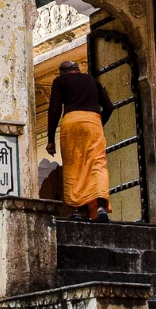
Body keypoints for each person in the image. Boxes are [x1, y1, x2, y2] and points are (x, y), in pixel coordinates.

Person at [44, 59, 115, 221]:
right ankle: (101, 206)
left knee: (75, 165)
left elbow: (54, 109)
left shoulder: (60, 81)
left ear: (62, 72)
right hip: (93, 123)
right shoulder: (92, 80)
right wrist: (98, 124)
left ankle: (82, 210)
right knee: (97, 163)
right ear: (78, 69)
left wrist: (50, 139)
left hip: (71, 123)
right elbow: (109, 107)